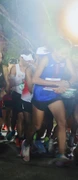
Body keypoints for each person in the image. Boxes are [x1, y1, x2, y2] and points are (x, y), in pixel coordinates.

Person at [21, 37, 76, 165]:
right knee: (37, 125)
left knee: (62, 122)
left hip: (54, 95)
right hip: (41, 95)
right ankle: (27, 143)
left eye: (66, 53)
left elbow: (74, 75)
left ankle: (61, 155)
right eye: (62, 53)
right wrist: (55, 84)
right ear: (55, 50)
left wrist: (66, 83)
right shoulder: (46, 59)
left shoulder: (66, 59)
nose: (64, 56)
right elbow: (35, 79)